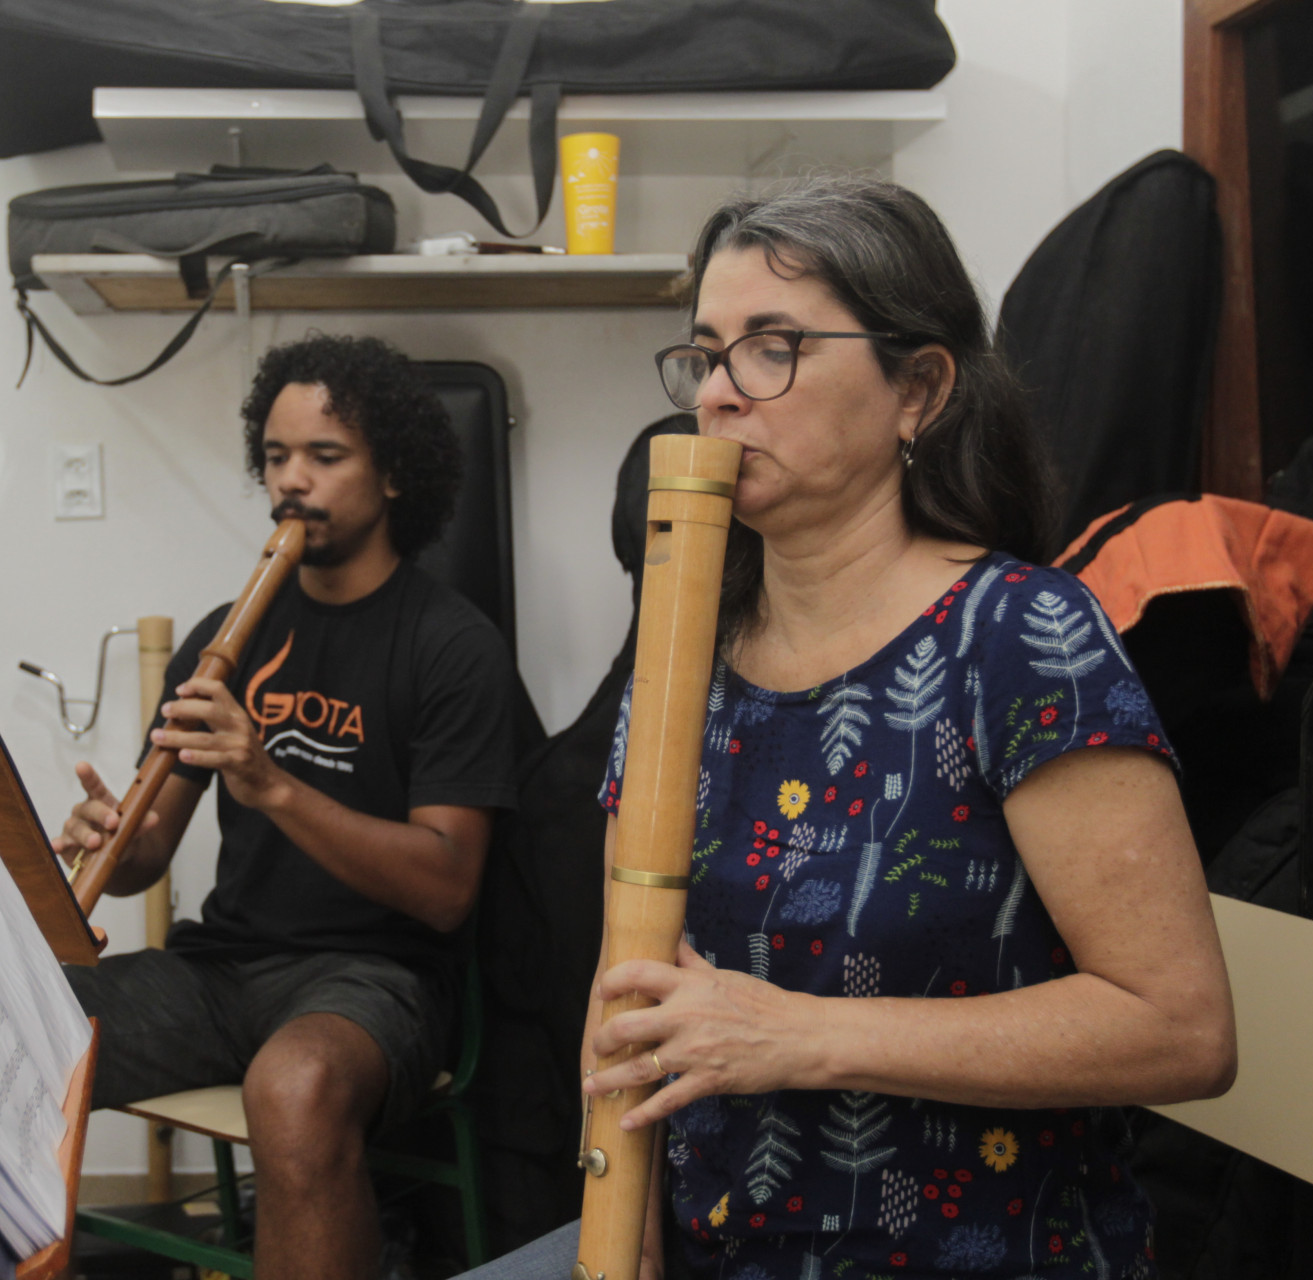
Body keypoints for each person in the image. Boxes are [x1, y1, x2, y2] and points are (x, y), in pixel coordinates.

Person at [461, 176, 1236, 1279]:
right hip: (708, 1244)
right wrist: (621, 1234)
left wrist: (798, 1034)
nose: (719, 395)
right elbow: (625, 989)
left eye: (772, 348)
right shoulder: (684, 653)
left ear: (918, 387)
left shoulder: (1021, 634)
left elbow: (1182, 1027)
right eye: (705, 354)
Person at [54, 334, 518, 1280]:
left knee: (297, 1085)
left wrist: (271, 784)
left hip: (377, 978)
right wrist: (114, 835)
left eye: (324, 456)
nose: (291, 482)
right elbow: (150, 851)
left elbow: (445, 889)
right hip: (222, 972)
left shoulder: (453, 646)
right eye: (275, 457)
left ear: (392, 474)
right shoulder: (228, 636)